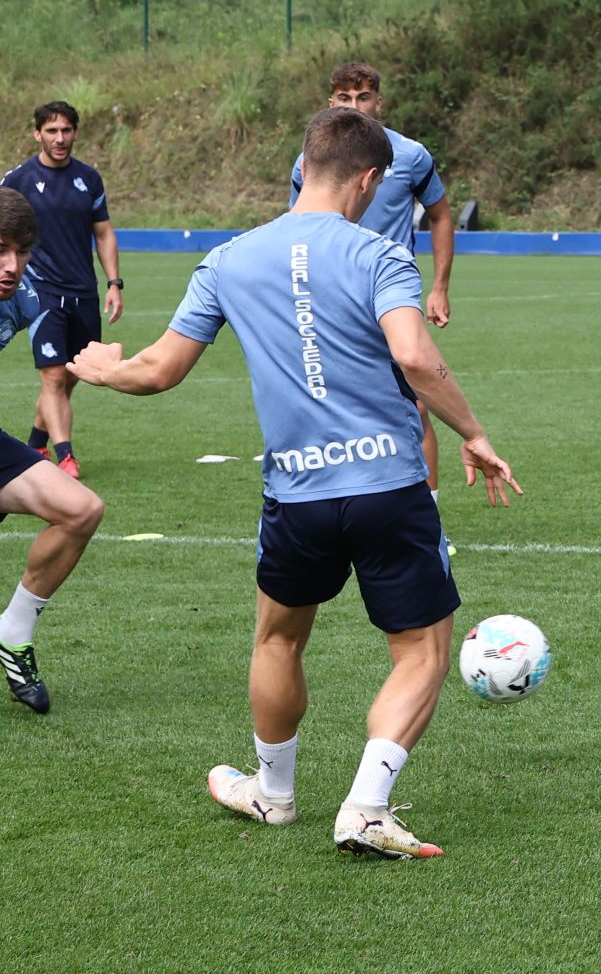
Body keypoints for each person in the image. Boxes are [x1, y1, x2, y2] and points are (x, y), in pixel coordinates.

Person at [72, 107, 521, 857]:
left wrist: (102, 369)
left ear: (302, 167)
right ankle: (366, 808)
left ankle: (273, 794)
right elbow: (415, 356)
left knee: (278, 638)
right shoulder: (380, 255)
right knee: (420, 650)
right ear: (371, 181)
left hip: (296, 494)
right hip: (386, 486)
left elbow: (158, 370)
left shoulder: (227, 259)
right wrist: (472, 433)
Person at [291, 63, 455, 507]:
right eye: (345, 98)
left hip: (389, 296)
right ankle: (343, 499)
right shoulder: (311, 162)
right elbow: (297, 226)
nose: (355, 106)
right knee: (334, 400)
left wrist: (439, 287)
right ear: (331, 103)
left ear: (378, 103)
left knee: (415, 403)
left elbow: (441, 216)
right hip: (331, 296)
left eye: (363, 97)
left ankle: (428, 512)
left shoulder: (410, 155)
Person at [0, 189, 105, 713]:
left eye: (20, 251)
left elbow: (54, 377)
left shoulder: (22, 299)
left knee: (81, 508)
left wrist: (107, 369)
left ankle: (13, 631)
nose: (11, 265)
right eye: (0, 250)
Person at [1, 101, 123, 480]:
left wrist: (114, 282)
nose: (59, 138)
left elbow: (103, 232)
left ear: (75, 133)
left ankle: (36, 442)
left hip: (84, 292)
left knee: (71, 374)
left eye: (66, 130)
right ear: (37, 133)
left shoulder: (89, 179)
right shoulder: (17, 180)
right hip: (42, 293)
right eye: (51, 131)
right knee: (53, 377)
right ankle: (65, 458)